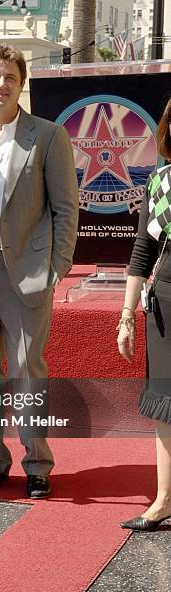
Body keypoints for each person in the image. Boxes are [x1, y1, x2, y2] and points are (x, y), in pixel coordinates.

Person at [0, 44, 79, 499]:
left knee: (27, 369)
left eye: (8, 76)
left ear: (20, 83)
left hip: (25, 271)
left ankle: (37, 463)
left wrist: (57, 268)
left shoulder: (47, 136)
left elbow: (67, 209)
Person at [118, 97, 171, 532]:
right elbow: (142, 252)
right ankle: (164, 499)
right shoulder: (159, 181)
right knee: (165, 404)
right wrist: (126, 315)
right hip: (165, 306)